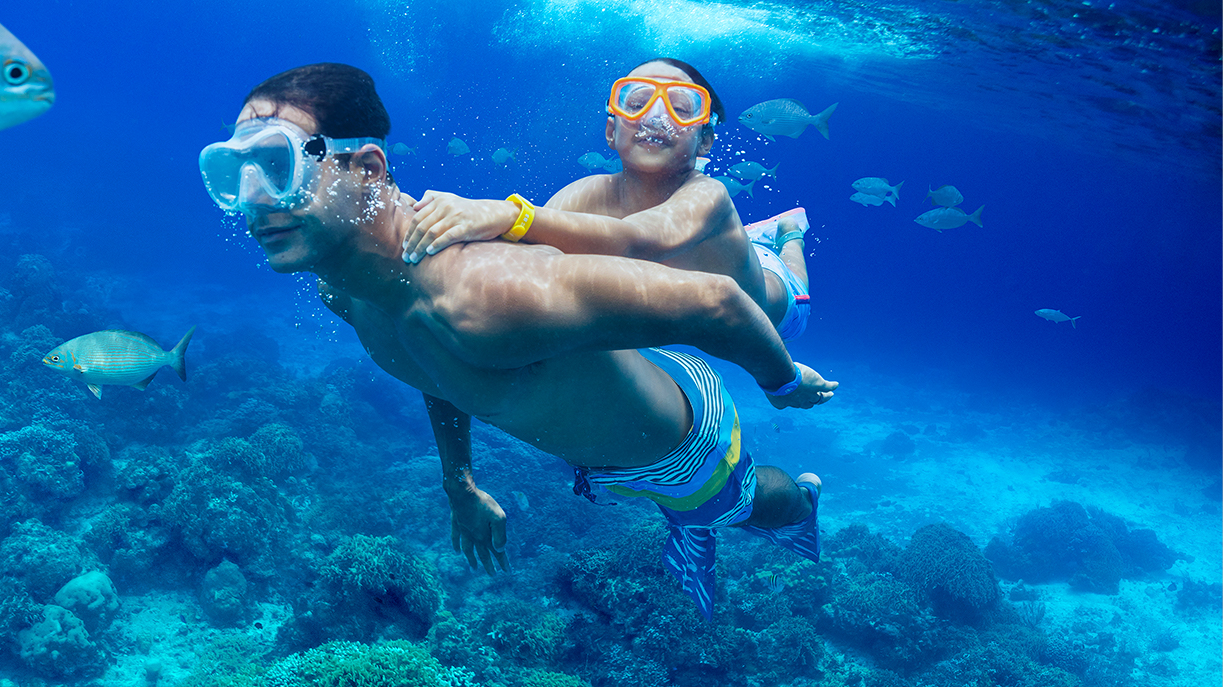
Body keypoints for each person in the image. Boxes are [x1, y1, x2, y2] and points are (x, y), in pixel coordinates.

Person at [197, 63, 838, 621]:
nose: (252, 203)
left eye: (276, 165)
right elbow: (433, 369)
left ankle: (802, 500)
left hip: (681, 446)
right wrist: (460, 485)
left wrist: (782, 384)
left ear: (367, 169)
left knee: (740, 505)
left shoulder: (484, 295)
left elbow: (718, 300)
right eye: (231, 172)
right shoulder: (348, 290)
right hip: (605, 432)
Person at [400, 58, 813, 341]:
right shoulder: (586, 194)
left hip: (774, 307)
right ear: (610, 132)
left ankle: (788, 231)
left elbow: (636, 238)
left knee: (783, 270)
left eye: (680, 108)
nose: (654, 117)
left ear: (704, 140)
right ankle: (754, 237)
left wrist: (508, 213)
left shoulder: (708, 193)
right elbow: (523, 257)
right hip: (681, 301)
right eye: (637, 103)